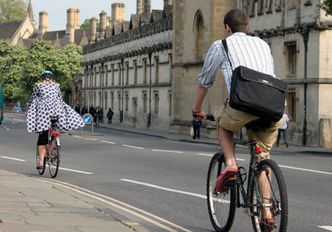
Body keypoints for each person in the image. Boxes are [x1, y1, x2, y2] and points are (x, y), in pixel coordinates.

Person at [192, 9, 282, 227]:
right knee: (262, 158)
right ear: (247, 27)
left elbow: (205, 80)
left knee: (224, 127)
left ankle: (231, 165)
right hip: (274, 106)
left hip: (242, 104)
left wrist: (196, 110)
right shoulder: (262, 44)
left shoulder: (221, 45)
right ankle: (267, 212)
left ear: (227, 28)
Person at [26, 70, 85, 169]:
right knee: (55, 125)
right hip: (57, 113)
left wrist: (29, 109)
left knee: (42, 138)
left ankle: (41, 162)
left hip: (44, 114)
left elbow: (33, 98)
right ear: (51, 78)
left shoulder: (38, 85)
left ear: (42, 77)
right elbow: (60, 98)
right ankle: (55, 140)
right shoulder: (57, 85)